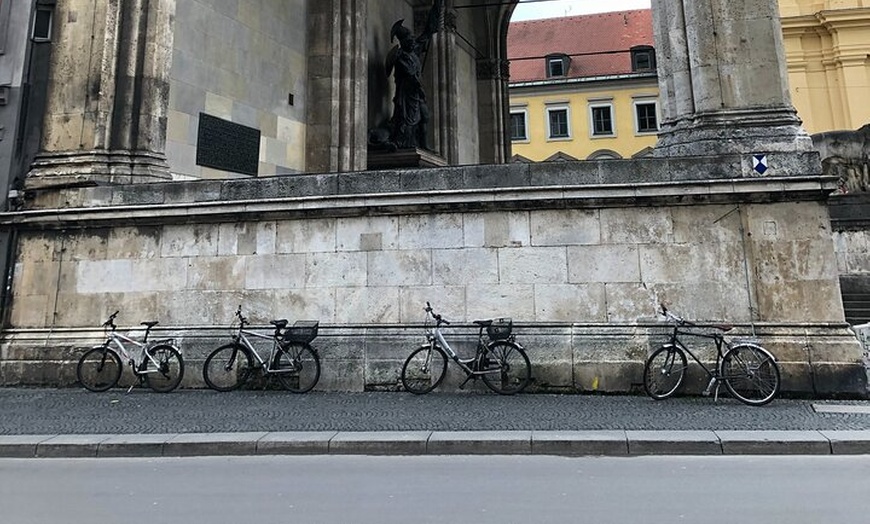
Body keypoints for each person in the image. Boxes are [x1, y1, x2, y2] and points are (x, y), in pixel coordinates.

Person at [386, 1, 442, 150]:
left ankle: (424, 145)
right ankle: (401, 143)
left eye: (412, 40)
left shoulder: (414, 51)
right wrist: (418, 86)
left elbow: (428, 32)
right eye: (409, 40)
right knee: (408, 120)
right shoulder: (401, 56)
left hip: (417, 93)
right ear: (403, 42)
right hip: (407, 94)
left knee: (425, 117)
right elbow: (410, 74)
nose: (412, 42)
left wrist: (437, 7)